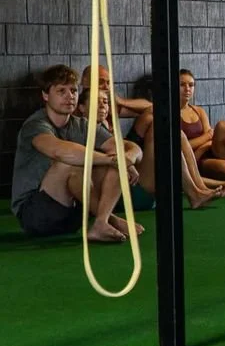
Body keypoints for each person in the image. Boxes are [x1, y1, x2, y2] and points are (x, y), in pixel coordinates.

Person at [11, 65, 143, 242]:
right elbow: (59, 151)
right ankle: (111, 220)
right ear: (45, 95)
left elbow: (129, 147)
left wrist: (128, 159)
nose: (69, 96)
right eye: (61, 91)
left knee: (115, 163)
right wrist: (112, 160)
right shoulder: (35, 125)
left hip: (73, 216)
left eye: (73, 90)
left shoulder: (82, 124)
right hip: (36, 214)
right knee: (70, 164)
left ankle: (101, 223)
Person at [79, 64, 152, 134]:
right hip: (91, 144)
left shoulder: (111, 104)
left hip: (114, 143)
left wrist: (120, 101)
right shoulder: (76, 105)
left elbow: (149, 107)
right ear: (85, 82)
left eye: (108, 83)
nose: (106, 87)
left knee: (150, 116)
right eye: (100, 82)